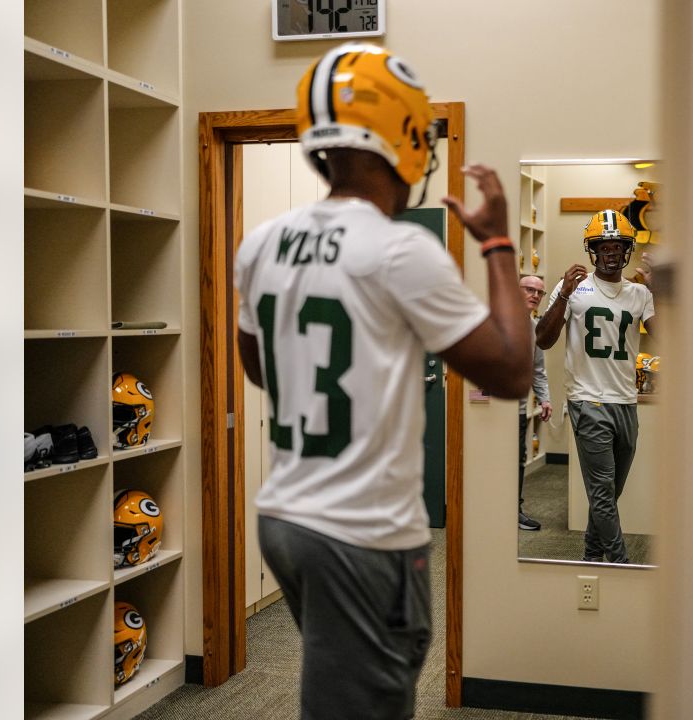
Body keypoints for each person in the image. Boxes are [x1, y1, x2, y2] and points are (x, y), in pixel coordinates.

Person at [234, 43, 529, 720]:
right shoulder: (400, 250)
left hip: (284, 518)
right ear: (399, 135)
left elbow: (261, 369)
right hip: (360, 533)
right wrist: (498, 246)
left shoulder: (261, 242)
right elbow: (513, 371)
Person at [535, 209, 655, 563]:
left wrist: (662, 292)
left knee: (608, 493)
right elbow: (543, 340)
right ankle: (621, 564)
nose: (611, 252)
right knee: (602, 494)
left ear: (627, 250)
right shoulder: (573, 287)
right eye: (604, 245)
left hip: (626, 402)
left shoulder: (639, 293)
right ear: (593, 250)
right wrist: (562, 296)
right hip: (588, 401)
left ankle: (591, 555)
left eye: (617, 245)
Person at [518, 274, 554, 531]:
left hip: (518, 408)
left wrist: (545, 399)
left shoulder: (535, 328)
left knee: (516, 460)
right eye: (529, 289)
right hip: (490, 411)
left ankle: (513, 510)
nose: (535, 295)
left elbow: (537, 370)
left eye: (539, 292)